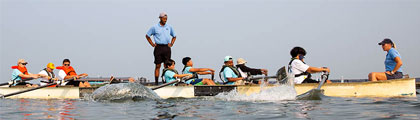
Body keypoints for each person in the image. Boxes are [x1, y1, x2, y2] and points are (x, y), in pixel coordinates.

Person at [146, 12, 177, 85]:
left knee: (167, 65)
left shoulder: (169, 27)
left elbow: (174, 36)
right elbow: (147, 36)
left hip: (167, 47)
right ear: (160, 18)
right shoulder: (154, 27)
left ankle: (166, 81)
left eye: (166, 19)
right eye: (164, 18)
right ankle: (156, 82)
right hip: (158, 47)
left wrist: (171, 43)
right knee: (158, 65)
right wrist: (152, 44)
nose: (165, 20)